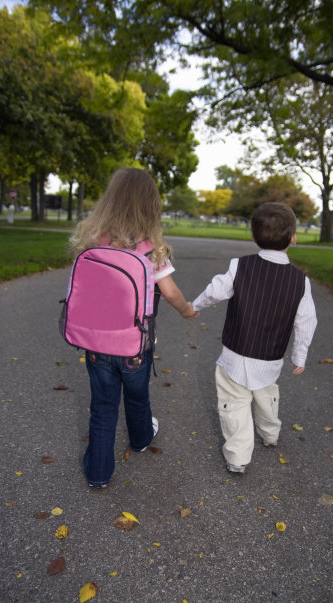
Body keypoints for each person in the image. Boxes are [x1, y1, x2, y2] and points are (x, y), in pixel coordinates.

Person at [69, 167, 198, 489]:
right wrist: (187, 310)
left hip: (96, 343)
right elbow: (170, 292)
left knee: (102, 406)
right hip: (135, 346)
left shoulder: (93, 241)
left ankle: (97, 473)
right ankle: (141, 438)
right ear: (150, 206)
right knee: (138, 396)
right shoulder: (149, 249)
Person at [192, 202, 317, 474]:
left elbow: (215, 291)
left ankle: (238, 458)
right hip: (270, 358)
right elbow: (306, 321)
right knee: (266, 394)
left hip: (235, 354)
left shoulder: (240, 267)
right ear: (293, 238)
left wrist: (195, 306)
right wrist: (299, 355)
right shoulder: (300, 281)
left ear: (253, 237)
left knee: (235, 404)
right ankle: (270, 434)